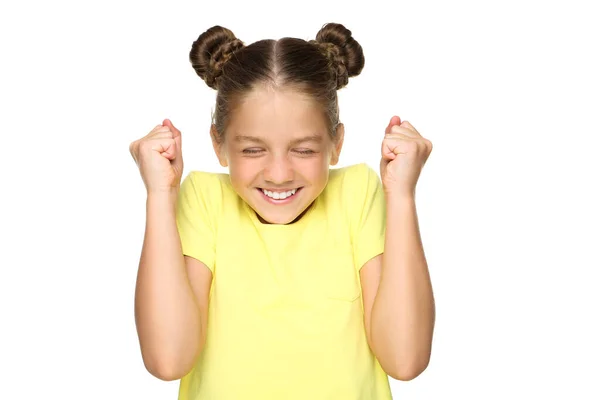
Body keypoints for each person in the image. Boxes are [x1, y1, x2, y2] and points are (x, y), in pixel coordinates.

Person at [129, 22, 435, 400]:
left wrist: (401, 195)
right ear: (219, 145)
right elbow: (167, 360)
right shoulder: (204, 199)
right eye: (253, 150)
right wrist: (160, 195)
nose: (278, 174)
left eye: (304, 150)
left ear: (335, 144)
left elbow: (405, 360)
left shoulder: (357, 193)